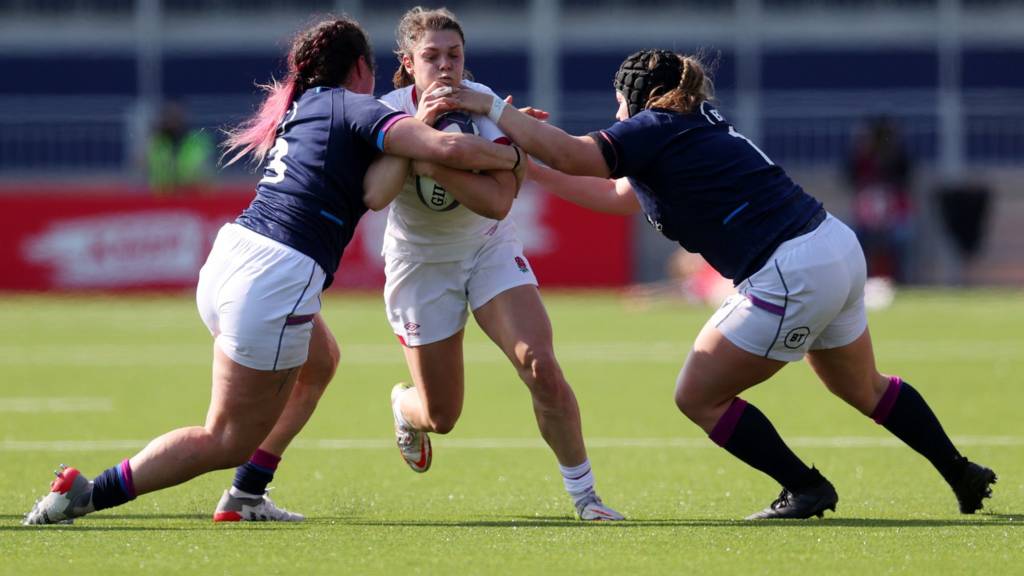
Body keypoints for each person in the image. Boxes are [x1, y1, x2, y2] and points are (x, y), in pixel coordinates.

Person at [452, 49, 997, 519]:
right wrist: (526, 164)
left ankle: (805, 486)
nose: (616, 112)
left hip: (791, 268)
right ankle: (961, 471)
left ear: (636, 96)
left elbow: (576, 154)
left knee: (698, 395)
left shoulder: (652, 127)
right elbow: (617, 197)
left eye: (619, 100)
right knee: (864, 388)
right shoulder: (687, 123)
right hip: (833, 245)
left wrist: (491, 108)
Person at [23, 16, 523, 525]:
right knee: (224, 437)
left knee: (321, 359)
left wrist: (416, 135)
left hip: (231, 257)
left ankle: (247, 494)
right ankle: (86, 494)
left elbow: (375, 193)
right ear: (360, 68)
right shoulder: (358, 106)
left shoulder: (304, 104)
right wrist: (515, 150)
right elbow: (448, 149)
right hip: (277, 278)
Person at [361, 7, 622, 521]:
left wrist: (432, 158)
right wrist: (421, 132)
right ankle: (402, 405)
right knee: (442, 415)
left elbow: (500, 202)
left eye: (453, 55)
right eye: (431, 57)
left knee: (541, 366)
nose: (445, 67)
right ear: (408, 63)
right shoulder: (386, 112)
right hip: (421, 264)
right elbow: (376, 194)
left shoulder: (483, 106)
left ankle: (586, 498)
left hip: (488, 248)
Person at [844, 115, 915, 283]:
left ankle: (900, 281)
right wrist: (861, 147)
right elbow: (849, 175)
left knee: (901, 237)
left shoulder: (898, 157)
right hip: (865, 216)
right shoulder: (862, 159)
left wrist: (891, 149)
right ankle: (861, 280)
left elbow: (905, 174)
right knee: (852, 239)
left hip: (896, 214)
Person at [147, 101, 215, 196]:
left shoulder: (196, 140)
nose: (174, 121)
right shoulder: (157, 141)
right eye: (170, 116)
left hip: (192, 193)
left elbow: (206, 170)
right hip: (163, 195)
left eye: (176, 116)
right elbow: (150, 167)